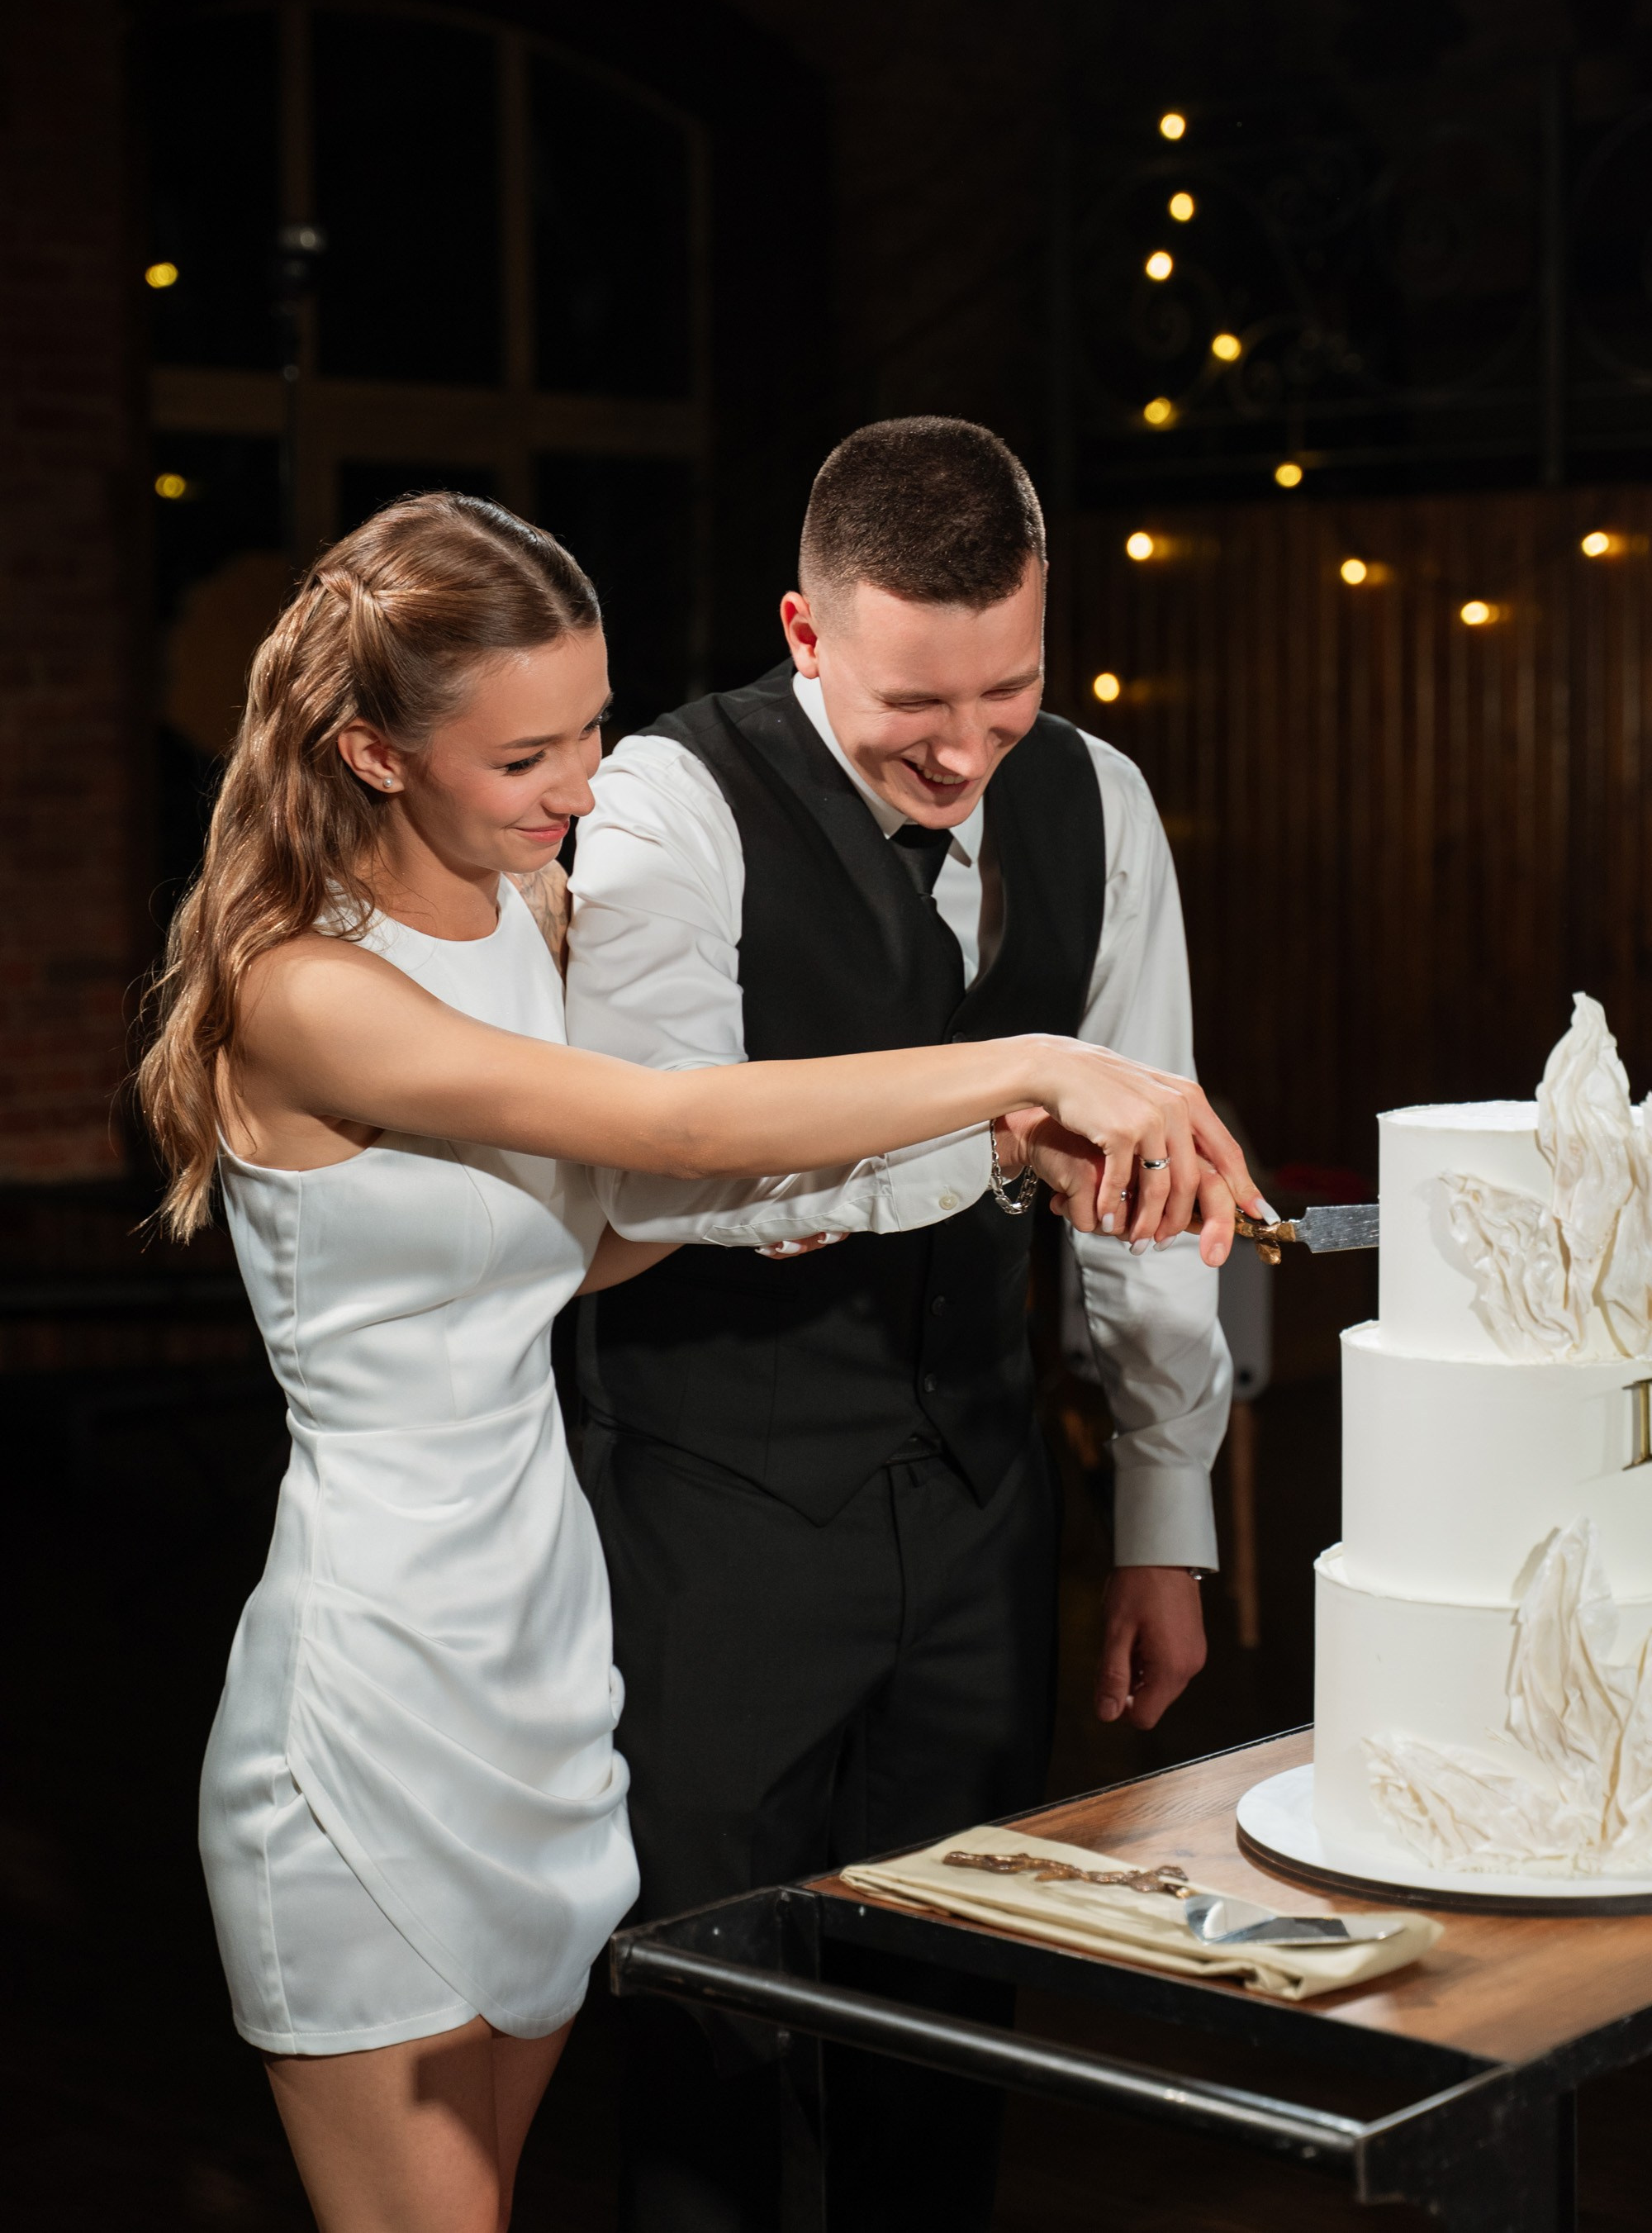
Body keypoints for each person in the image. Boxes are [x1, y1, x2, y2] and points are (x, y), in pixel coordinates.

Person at [137, 491, 1256, 2233]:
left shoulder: (522, 919)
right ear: (368, 749)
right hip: (376, 1676)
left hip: (540, 1662)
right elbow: (658, 1116)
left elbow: (632, 1217)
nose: (585, 785)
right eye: (527, 755)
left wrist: (1006, 1157)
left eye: (589, 726)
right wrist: (1022, 1062)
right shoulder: (304, 993)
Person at [567, 417, 1257, 2233]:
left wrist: (1161, 1525)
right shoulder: (666, 799)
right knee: (703, 2038)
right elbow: (646, 1171)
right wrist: (984, 1135)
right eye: (910, 708)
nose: (963, 751)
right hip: (710, 1515)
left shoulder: (1096, 798)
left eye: (1008, 693)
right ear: (804, 633)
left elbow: (1151, 1193)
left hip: (977, 1507)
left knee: (952, 2039)